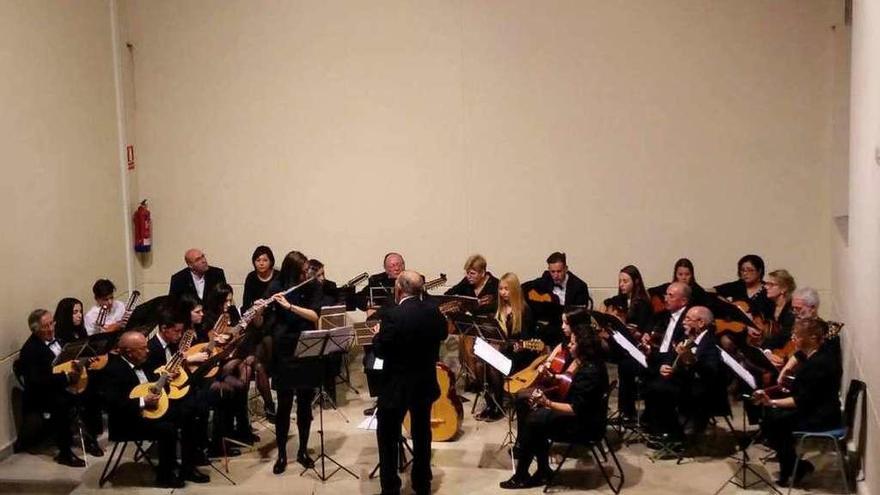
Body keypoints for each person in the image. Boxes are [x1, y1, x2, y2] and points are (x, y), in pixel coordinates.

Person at [500, 325, 609, 489]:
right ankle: (540, 470)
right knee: (529, 408)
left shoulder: (590, 372)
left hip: (585, 426)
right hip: (586, 417)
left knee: (533, 420)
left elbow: (575, 409)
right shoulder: (590, 363)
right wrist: (554, 376)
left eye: (573, 343)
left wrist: (546, 402)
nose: (569, 345)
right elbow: (573, 383)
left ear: (583, 347)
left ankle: (522, 474)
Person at [372, 270, 448, 495]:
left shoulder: (393, 315)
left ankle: (391, 487)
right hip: (424, 383)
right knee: (422, 433)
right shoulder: (433, 311)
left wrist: (377, 335)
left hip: (396, 386)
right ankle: (422, 483)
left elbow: (382, 351)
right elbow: (443, 335)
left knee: (387, 436)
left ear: (399, 288)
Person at [103, 331, 210, 487]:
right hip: (129, 420)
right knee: (167, 428)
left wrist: (166, 380)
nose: (147, 350)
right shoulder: (113, 370)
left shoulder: (145, 361)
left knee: (191, 413)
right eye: (142, 348)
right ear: (128, 352)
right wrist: (142, 401)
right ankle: (165, 476)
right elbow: (113, 405)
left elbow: (155, 386)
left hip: (153, 411)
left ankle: (188, 466)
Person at [753, 319, 842, 487]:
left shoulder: (818, 364)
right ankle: (794, 466)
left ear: (813, 338)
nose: (793, 338)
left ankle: (793, 467)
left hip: (821, 416)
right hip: (818, 408)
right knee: (772, 420)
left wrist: (770, 401)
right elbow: (805, 388)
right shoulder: (817, 352)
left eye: (798, 336)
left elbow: (800, 401)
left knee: (775, 422)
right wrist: (786, 372)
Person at [267, 250, 323, 473]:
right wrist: (260, 310)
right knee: (284, 404)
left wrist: (289, 307)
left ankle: (302, 450)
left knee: (305, 403)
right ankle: (281, 454)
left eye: (306, 270)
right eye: (301, 271)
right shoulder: (276, 285)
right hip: (284, 349)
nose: (305, 274)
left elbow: (314, 315)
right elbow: (266, 320)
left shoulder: (312, 285)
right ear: (291, 271)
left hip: (305, 346)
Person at [643, 306, 727, 444]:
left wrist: (690, 360)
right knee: (652, 382)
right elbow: (671, 357)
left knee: (659, 388)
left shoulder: (710, 342)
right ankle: (661, 429)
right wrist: (662, 364)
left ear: (701, 323)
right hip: (686, 382)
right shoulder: (688, 337)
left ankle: (674, 436)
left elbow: (710, 372)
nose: (683, 322)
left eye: (688, 319)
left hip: (704, 391)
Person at [17, 309, 85, 467]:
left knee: (89, 390)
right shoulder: (30, 350)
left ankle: (89, 438)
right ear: (35, 330)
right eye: (45, 326)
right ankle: (65, 453)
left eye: (51, 323)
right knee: (62, 403)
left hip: (60, 385)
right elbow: (38, 380)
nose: (51, 328)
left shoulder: (59, 340)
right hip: (42, 394)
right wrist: (67, 378)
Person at [476, 272, 536, 422]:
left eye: (506, 289)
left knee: (492, 365)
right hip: (500, 351)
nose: (503, 293)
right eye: (501, 289)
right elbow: (477, 312)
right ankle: (490, 403)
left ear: (514, 290)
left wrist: (515, 347)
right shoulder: (498, 307)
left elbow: (526, 341)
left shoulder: (524, 311)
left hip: (516, 356)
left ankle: (499, 405)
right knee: (478, 364)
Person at [357, 252, 406, 405]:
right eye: (392, 265)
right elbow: (358, 299)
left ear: (404, 266)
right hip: (382, 326)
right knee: (372, 358)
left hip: (403, 330)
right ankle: (380, 397)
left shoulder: (411, 281)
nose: (396, 268)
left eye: (399, 264)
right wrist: (368, 307)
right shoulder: (376, 282)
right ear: (386, 269)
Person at [242, 245, 279, 311]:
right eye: (258, 260)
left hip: (275, 312)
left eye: (265, 260)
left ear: (271, 261)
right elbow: (246, 302)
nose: (261, 263)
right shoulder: (251, 277)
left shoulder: (278, 275)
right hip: (256, 311)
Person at [617, 265, 652, 330]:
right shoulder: (622, 298)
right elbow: (608, 301)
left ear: (636, 281)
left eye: (625, 281)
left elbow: (640, 329)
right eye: (620, 281)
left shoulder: (643, 303)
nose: (621, 285)